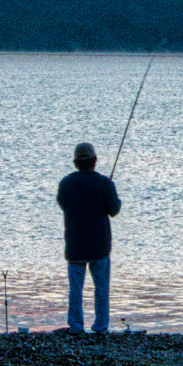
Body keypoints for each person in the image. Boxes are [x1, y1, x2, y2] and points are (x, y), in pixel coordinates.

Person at [56, 142, 122, 336]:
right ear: (94, 161)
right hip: (99, 246)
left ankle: (76, 326)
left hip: (75, 245)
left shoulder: (66, 183)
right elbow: (115, 210)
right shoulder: (104, 183)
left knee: (75, 289)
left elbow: (62, 203)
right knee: (101, 289)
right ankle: (101, 326)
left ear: (76, 163)